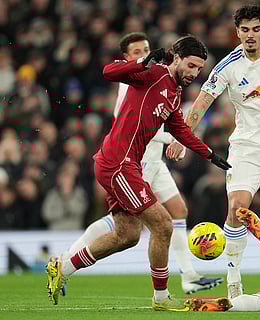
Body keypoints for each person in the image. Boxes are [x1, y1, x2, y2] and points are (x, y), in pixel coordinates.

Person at [45, 35, 231, 311]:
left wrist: (210, 154)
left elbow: (179, 128)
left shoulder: (175, 91)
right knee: (164, 225)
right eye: (190, 66)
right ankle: (161, 298)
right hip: (118, 163)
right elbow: (108, 72)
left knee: (128, 235)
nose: (194, 74)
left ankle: (63, 267)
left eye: (198, 70)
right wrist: (143, 61)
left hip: (127, 164)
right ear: (177, 58)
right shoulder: (152, 73)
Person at [167, 4, 260, 298]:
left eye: (256, 29)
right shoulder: (227, 66)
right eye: (244, 30)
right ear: (237, 32)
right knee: (237, 208)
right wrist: (180, 137)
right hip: (245, 147)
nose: (250, 35)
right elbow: (200, 105)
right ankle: (234, 279)